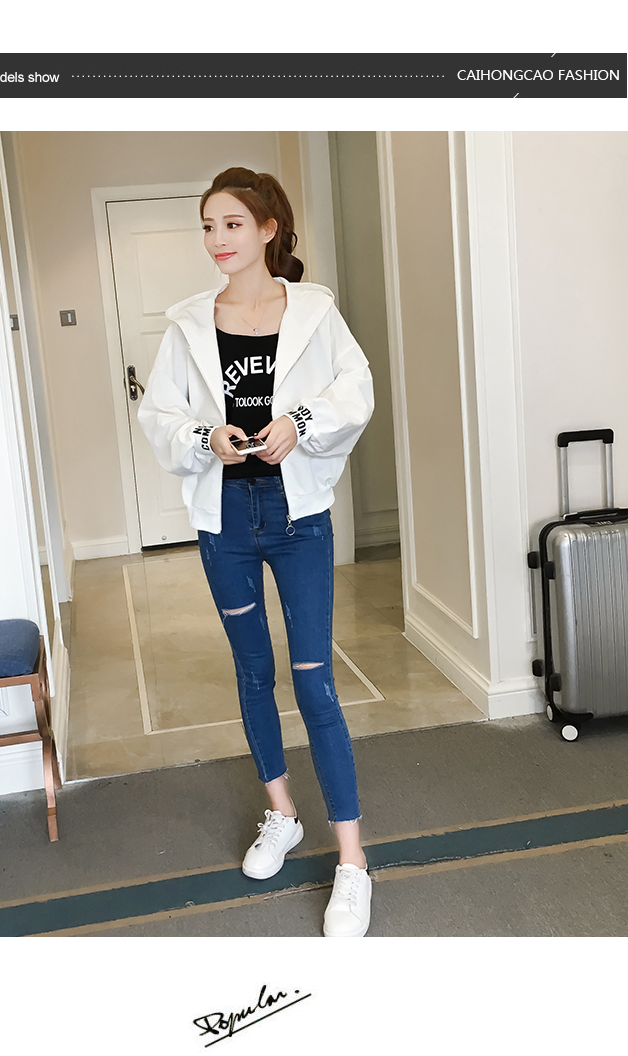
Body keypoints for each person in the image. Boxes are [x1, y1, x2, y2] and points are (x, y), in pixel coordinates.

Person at [138, 167, 374, 937]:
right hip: (226, 521)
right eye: (208, 226)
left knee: (315, 683)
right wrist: (202, 436)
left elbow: (356, 388)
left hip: (298, 515)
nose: (217, 240)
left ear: (268, 229)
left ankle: (352, 864)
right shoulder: (187, 324)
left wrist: (299, 423)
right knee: (251, 673)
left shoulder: (314, 311)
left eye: (232, 224)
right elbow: (159, 413)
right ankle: (283, 814)